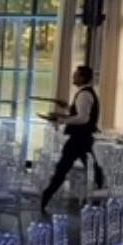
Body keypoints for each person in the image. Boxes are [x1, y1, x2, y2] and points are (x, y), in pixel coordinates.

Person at [40, 64, 104, 214]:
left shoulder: (84, 95)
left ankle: (46, 196)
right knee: (92, 169)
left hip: (79, 138)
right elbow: (79, 113)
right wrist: (65, 108)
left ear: (82, 77)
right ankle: (99, 198)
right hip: (83, 138)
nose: (73, 77)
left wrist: (62, 119)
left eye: (76, 75)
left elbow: (83, 118)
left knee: (63, 168)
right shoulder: (85, 94)